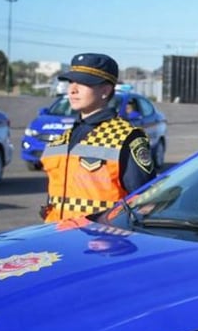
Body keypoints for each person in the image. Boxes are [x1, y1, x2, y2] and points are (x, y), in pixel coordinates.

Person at [40, 53, 155, 222]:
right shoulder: (62, 139)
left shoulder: (125, 138)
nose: (72, 89)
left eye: (83, 83)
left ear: (105, 90)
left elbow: (146, 203)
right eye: (71, 82)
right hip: (57, 237)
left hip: (103, 241)